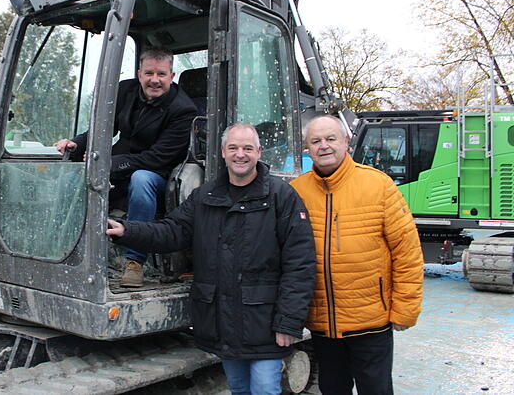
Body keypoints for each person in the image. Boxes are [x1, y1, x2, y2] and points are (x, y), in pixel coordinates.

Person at [107, 123, 316, 394]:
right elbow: (173, 231)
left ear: (259, 152)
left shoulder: (281, 196)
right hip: (224, 321)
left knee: (265, 388)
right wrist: (128, 230)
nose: (240, 154)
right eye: (233, 148)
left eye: (247, 148)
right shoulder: (206, 196)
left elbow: (300, 263)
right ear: (223, 153)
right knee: (239, 388)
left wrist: (288, 322)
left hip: (264, 320)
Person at [290, 116, 424, 395]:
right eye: (315, 141)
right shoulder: (296, 191)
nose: (323, 146)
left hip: (371, 323)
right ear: (307, 148)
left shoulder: (378, 185)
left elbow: (407, 252)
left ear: (347, 142)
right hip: (323, 325)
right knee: (332, 388)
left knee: (375, 389)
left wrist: (404, 310)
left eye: (331, 139)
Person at [55, 48, 197, 287]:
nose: (154, 79)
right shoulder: (125, 90)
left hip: (160, 174)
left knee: (141, 179)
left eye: (161, 74)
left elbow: (156, 158)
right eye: (149, 72)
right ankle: (64, 248)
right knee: (75, 176)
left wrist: (111, 164)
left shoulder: (184, 110)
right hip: (122, 165)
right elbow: (103, 130)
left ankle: (135, 262)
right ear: (139, 74)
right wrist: (76, 144)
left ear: (172, 76)